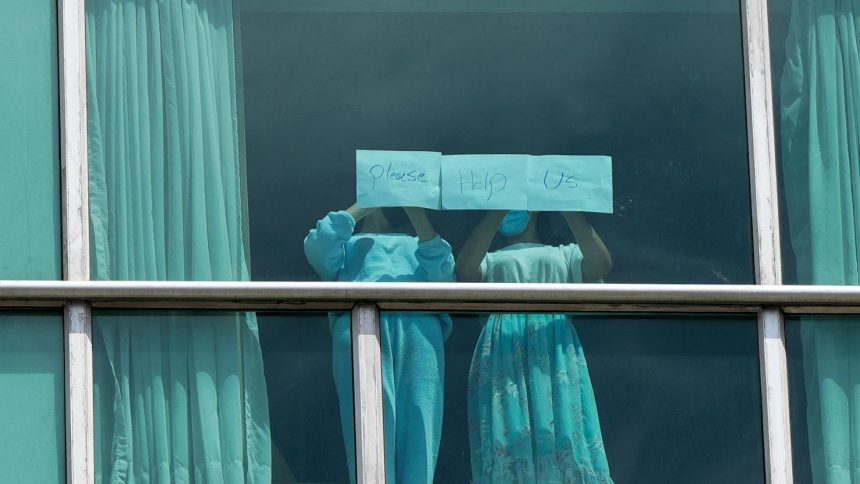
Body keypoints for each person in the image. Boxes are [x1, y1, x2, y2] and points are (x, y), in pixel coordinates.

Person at [457, 210, 614, 483]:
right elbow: (465, 270)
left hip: (550, 345)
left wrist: (568, 208)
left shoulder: (565, 253)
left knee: (559, 425)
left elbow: (600, 264)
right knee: (509, 430)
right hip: (505, 351)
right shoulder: (490, 259)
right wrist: (496, 214)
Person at [304, 204, 453, 484]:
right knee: (367, 428)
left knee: (419, 428)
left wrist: (415, 210)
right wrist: (363, 205)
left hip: (419, 335)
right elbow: (317, 247)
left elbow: (444, 275)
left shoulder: (416, 244)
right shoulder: (347, 246)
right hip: (362, 329)